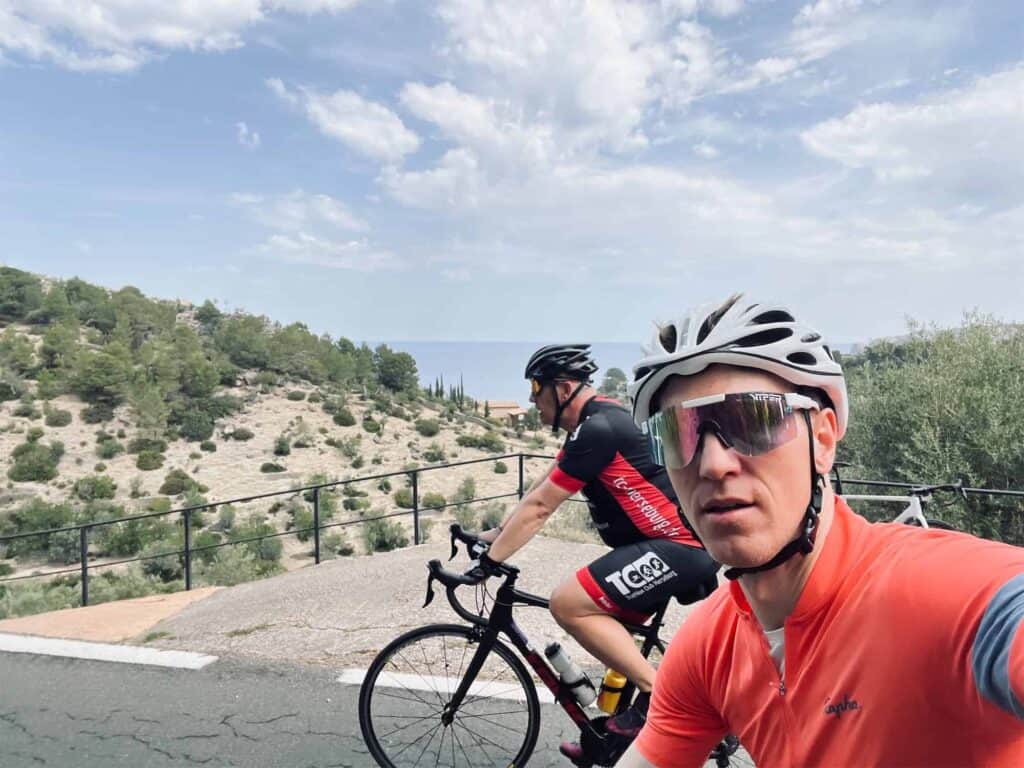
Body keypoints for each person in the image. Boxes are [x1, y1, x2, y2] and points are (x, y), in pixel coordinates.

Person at [615, 294, 1024, 767]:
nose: (712, 463)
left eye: (753, 420)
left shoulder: (946, 593)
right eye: (677, 433)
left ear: (824, 439)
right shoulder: (709, 645)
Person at [463, 343, 719, 755]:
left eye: (535, 388)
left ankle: (659, 695)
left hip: (677, 545)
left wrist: (491, 563)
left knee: (568, 604)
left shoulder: (599, 429)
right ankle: (613, 741)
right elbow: (538, 492)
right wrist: (493, 536)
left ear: (562, 388)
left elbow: (544, 508)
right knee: (609, 634)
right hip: (665, 545)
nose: (532, 399)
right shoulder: (591, 424)